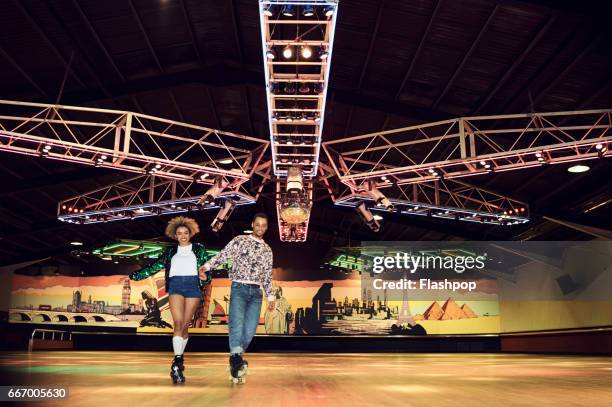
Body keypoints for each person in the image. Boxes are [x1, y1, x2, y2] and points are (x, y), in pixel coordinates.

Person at [129, 216, 211, 384]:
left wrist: (204, 276)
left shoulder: (200, 249)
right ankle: (178, 360)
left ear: (190, 233)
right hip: (175, 286)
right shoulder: (171, 252)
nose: (183, 236)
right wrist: (135, 275)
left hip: (193, 287)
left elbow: (207, 273)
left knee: (185, 326)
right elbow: (155, 266)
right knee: (178, 324)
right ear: (175, 235)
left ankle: (179, 361)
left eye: (186, 233)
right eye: (179, 233)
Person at [200, 212, 274, 384]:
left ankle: (236, 360)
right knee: (236, 325)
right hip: (239, 288)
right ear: (252, 224)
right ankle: (236, 360)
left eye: (264, 225)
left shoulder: (267, 250)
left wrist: (270, 296)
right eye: (258, 224)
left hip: (256, 293)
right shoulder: (240, 240)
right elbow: (223, 255)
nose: (260, 228)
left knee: (249, 332)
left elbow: (267, 275)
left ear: (266, 227)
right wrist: (206, 266)